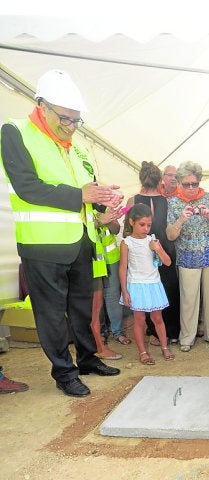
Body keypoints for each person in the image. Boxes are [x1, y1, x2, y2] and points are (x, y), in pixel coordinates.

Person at [0, 69, 121, 397]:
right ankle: (64, 373)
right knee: (52, 314)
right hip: (43, 245)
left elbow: (87, 188)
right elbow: (27, 188)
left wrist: (102, 201)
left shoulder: (76, 145)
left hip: (82, 241)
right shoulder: (15, 132)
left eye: (76, 120)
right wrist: (82, 196)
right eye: (65, 118)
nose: (71, 126)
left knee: (82, 307)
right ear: (42, 105)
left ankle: (86, 358)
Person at [166, 161, 209, 352]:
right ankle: (187, 338)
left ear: (199, 181)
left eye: (194, 183)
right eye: (186, 184)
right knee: (189, 298)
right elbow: (170, 235)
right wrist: (182, 219)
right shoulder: (174, 203)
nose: (191, 188)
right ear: (180, 183)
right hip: (187, 257)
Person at [127, 161, 180, 346]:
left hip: (142, 254)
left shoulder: (132, 201)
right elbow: (171, 230)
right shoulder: (168, 201)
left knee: (148, 292)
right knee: (169, 291)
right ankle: (172, 332)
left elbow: (127, 232)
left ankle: (155, 333)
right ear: (160, 180)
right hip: (165, 250)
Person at [119, 203, 173, 365]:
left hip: (154, 284)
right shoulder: (126, 242)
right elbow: (123, 268)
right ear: (131, 222)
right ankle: (143, 352)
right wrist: (124, 290)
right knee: (139, 320)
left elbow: (168, 262)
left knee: (158, 318)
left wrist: (157, 249)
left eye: (148, 225)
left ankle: (164, 347)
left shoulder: (153, 240)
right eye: (142, 224)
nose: (146, 228)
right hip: (136, 285)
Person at [90, 207, 124, 361]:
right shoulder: (80, 206)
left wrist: (109, 219)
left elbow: (116, 230)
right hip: (93, 262)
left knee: (112, 297)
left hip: (111, 260)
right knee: (96, 302)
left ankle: (118, 332)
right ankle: (101, 335)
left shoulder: (105, 207)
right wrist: (98, 222)